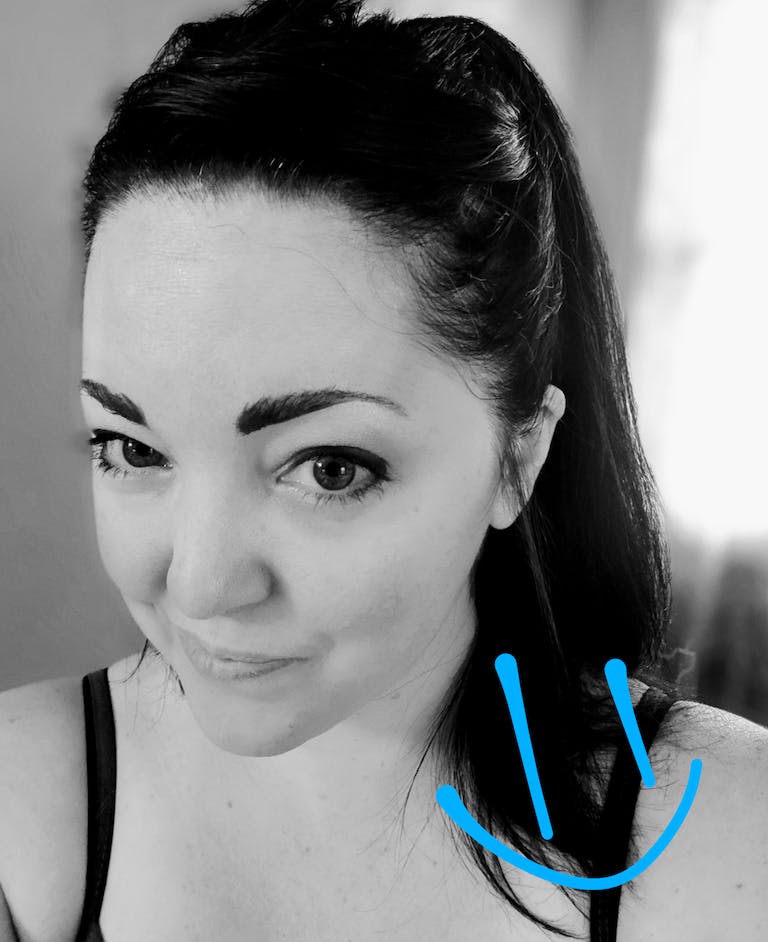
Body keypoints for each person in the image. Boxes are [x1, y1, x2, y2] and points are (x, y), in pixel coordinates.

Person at [0, 0, 766, 939]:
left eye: (328, 468)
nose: (199, 586)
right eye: (133, 449)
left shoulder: (733, 849)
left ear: (518, 456)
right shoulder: (23, 812)